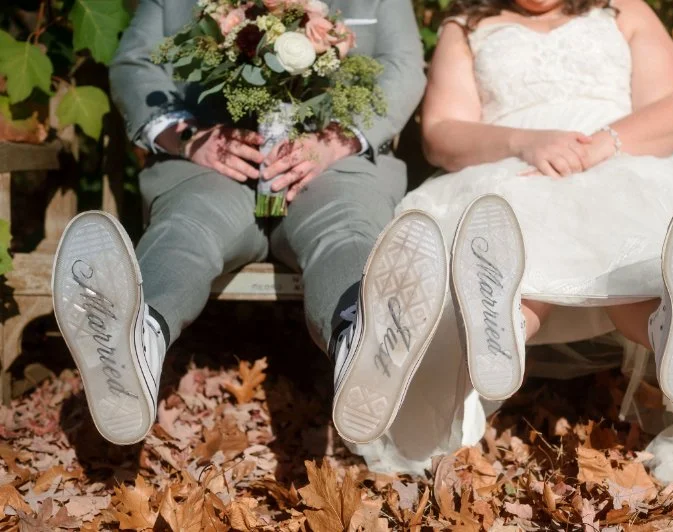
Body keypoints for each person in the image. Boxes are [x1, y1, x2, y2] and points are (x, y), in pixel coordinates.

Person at [345, 0, 673, 481]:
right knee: (507, 233)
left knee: (633, 251)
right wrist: (526, 143)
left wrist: (603, 143)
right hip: (510, 167)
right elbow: (441, 133)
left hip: (625, 160)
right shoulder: (467, 26)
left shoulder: (623, 11)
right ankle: (501, 331)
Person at [50, 0, 425, 446]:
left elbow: (403, 66)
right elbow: (135, 62)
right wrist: (188, 138)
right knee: (188, 226)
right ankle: (135, 342)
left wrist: (335, 141)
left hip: (328, 170)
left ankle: (361, 340)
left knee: (345, 230)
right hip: (214, 168)